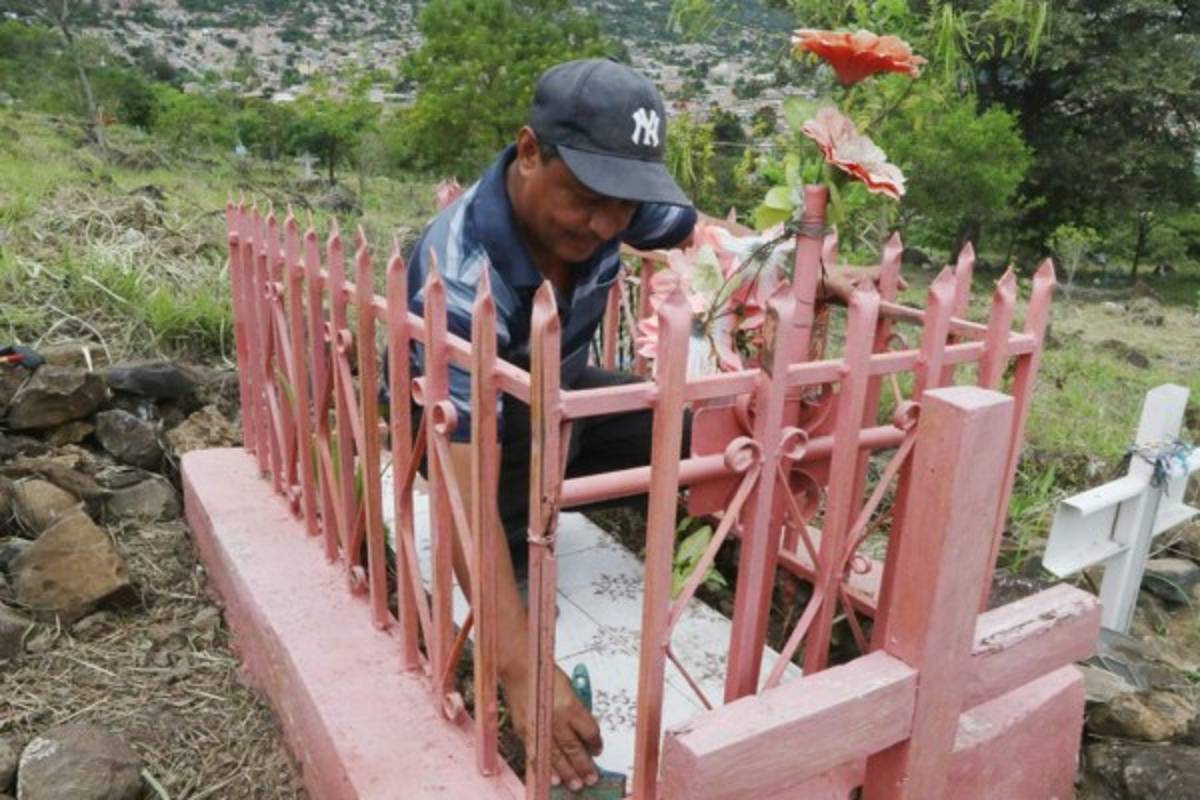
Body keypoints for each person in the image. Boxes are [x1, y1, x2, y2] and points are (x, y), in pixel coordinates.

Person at [401, 58, 889, 792]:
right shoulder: (460, 271)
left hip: (562, 395)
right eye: (588, 200)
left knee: (698, 445)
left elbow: (702, 232)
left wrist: (796, 268)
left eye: (624, 208)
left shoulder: (617, 205)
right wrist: (522, 672)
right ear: (529, 151)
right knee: (503, 571)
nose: (606, 227)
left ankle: (749, 588)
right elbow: (460, 482)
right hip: (473, 431)